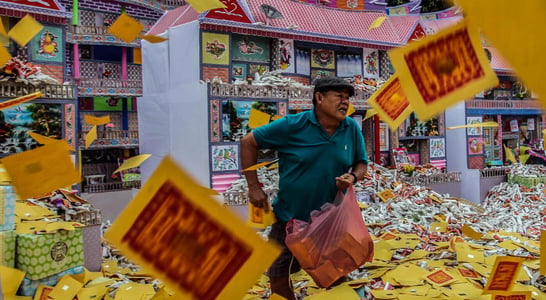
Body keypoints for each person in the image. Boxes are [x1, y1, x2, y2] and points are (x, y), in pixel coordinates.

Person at [240, 76, 369, 300]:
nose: (345, 102)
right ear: (319, 98)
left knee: (335, 272)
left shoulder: (351, 128)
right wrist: (254, 186)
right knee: (278, 272)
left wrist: (353, 177)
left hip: (333, 217)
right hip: (290, 217)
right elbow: (248, 142)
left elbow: (361, 163)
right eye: (339, 96)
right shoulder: (292, 125)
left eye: (347, 98)